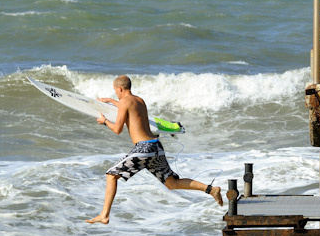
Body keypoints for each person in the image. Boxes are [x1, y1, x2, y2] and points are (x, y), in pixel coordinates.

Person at [86, 76, 223, 225]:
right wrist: (112, 102)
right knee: (172, 183)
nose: (115, 94)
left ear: (119, 89)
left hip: (143, 148)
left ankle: (104, 215)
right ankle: (210, 189)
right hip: (156, 147)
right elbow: (128, 107)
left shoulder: (124, 102)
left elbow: (118, 129)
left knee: (111, 175)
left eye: (115, 91)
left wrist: (104, 121)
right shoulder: (139, 101)